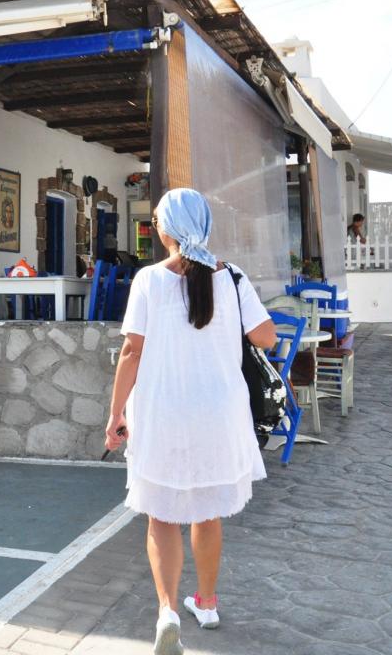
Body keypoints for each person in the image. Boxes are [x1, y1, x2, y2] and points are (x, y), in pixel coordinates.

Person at [104, 188, 278, 655]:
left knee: (161, 516)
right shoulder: (233, 277)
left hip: (163, 411)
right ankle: (207, 602)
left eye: (158, 220)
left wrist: (116, 413)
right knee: (207, 512)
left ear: (167, 230)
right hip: (219, 414)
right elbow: (266, 337)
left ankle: (167, 611)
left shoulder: (149, 279)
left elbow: (132, 351)